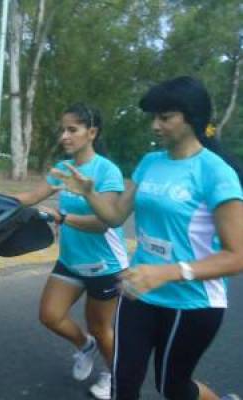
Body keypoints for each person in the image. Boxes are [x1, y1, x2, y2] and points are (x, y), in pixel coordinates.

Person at [53, 77, 243, 400]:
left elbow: (236, 257)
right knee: (123, 382)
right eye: (153, 117)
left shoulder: (216, 172)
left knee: (172, 387)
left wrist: (166, 272)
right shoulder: (150, 163)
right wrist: (89, 193)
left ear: (192, 117)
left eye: (165, 117)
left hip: (192, 302)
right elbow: (114, 217)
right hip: (138, 290)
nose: (155, 125)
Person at [15, 103, 129, 400]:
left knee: (102, 328)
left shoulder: (107, 171)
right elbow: (31, 196)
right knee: (50, 316)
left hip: (105, 265)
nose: (64, 136)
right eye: (62, 129)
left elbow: (103, 224)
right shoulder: (64, 170)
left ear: (91, 133)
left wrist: (63, 218)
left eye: (72, 129)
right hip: (71, 260)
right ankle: (84, 346)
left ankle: (115, 377)